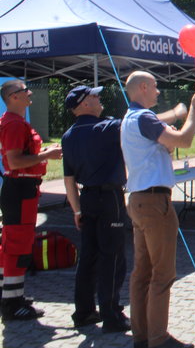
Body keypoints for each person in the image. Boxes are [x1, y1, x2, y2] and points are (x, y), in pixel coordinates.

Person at [121, 71, 195, 348]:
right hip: (154, 202)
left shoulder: (131, 118)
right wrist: (194, 109)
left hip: (138, 200)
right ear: (144, 87)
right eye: (156, 86)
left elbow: (162, 144)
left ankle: (142, 335)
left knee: (142, 273)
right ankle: (158, 338)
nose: (158, 92)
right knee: (162, 274)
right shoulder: (144, 118)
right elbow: (184, 140)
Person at [62, 85, 130, 332]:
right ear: (84, 104)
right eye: (94, 95)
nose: (99, 98)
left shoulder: (68, 136)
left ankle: (84, 312)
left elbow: (69, 180)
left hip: (87, 198)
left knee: (88, 257)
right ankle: (111, 315)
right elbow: (137, 124)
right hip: (109, 197)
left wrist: (77, 210)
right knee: (112, 256)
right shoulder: (106, 127)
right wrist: (176, 112)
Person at [0, 79, 62, 321]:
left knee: (14, 243)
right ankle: (12, 304)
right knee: (17, 246)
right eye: (24, 91)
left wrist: (43, 154)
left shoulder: (15, 122)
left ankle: (11, 297)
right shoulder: (14, 123)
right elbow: (15, 161)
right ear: (13, 97)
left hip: (21, 189)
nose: (29, 93)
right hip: (20, 189)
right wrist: (47, 154)